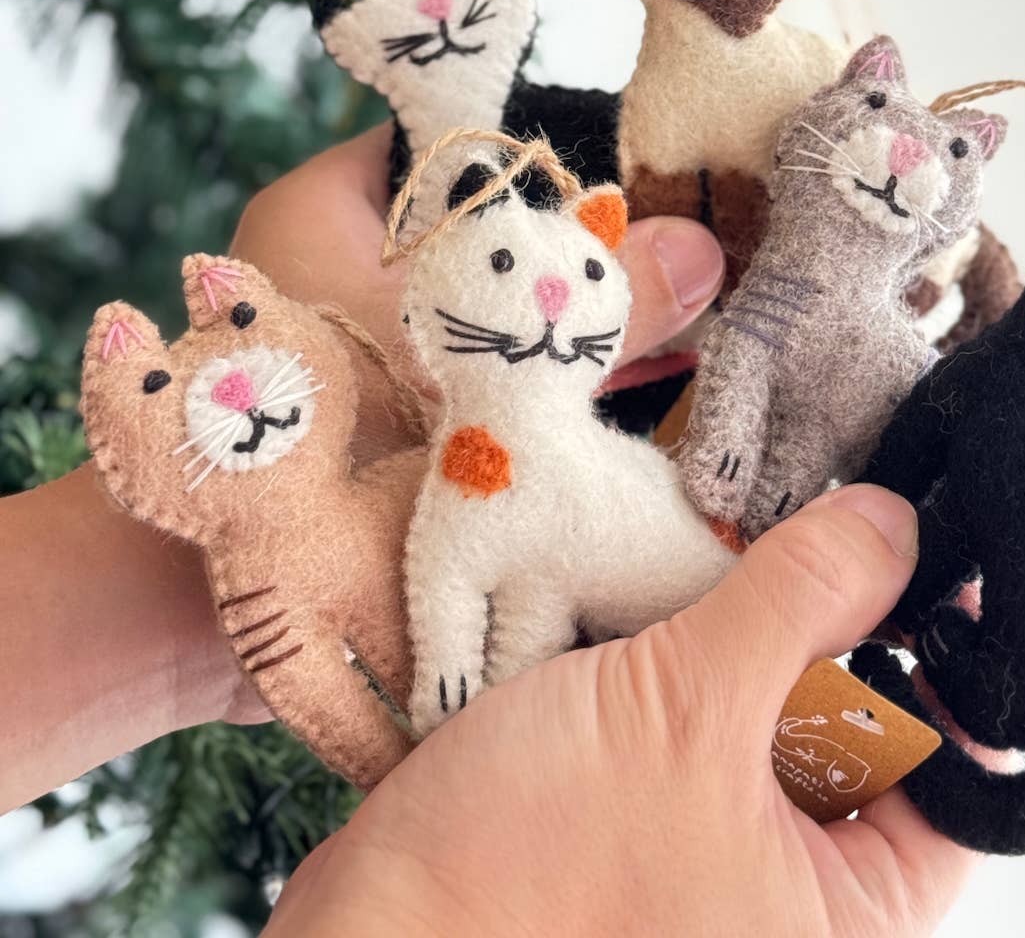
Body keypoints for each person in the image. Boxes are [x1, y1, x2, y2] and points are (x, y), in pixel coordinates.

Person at [0, 124, 975, 935]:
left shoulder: (476, 473)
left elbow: (483, 578)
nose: (548, 297)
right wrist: (451, 717)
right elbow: (462, 578)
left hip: (684, 557)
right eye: (503, 264)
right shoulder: (447, 478)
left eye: (575, 269)